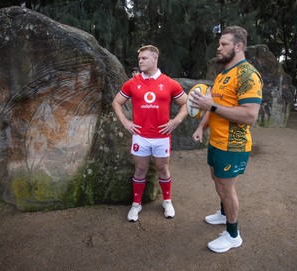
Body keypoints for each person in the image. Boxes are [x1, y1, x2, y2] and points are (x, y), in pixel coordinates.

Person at [190, 26, 263, 253]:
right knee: (217, 179)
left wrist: (210, 105)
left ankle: (233, 235)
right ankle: (223, 214)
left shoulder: (247, 75)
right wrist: (202, 127)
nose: (218, 47)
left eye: (223, 44)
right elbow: (211, 106)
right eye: (219, 43)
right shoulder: (222, 74)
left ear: (238, 46)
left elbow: (250, 115)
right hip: (217, 141)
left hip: (234, 144)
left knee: (226, 187)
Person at [112, 45, 188, 222]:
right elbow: (116, 102)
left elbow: (186, 104)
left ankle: (167, 201)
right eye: (139, 58)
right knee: (140, 169)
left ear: (155, 59)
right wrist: (125, 122)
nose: (140, 61)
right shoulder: (133, 83)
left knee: (163, 168)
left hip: (162, 137)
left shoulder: (169, 83)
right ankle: (136, 204)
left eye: (144, 58)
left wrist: (175, 121)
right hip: (140, 136)